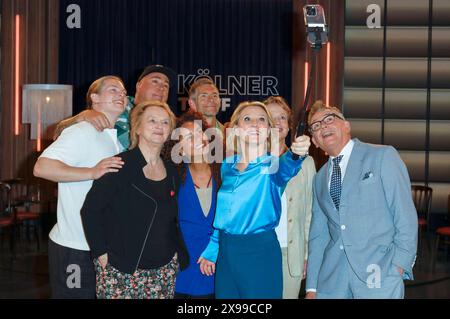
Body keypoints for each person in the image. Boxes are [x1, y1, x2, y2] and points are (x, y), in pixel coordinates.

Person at [305, 101, 418, 299]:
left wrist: (399, 265)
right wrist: (312, 287)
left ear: (346, 126)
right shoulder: (319, 178)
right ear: (314, 140)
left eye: (329, 119)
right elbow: (318, 234)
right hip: (332, 280)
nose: (323, 126)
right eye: (316, 126)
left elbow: (405, 215)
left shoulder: (382, 156)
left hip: (380, 272)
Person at [199, 101, 311, 299]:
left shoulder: (274, 165)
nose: (255, 124)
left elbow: (288, 166)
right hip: (226, 252)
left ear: (269, 130)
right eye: (247, 119)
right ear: (235, 129)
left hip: (259, 251)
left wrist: (297, 154)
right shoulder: (227, 165)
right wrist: (212, 249)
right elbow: (225, 213)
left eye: (262, 120)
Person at [81, 100, 189, 299]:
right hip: (122, 269)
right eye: (152, 121)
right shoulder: (119, 165)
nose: (159, 126)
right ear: (137, 127)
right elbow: (90, 211)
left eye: (165, 122)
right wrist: (101, 254)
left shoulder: (173, 170)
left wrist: (174, 256)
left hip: (164, 270)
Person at [33, 75, 127, 298]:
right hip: (74, 247)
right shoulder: (83, 131)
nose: (121, 95)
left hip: (98, 246)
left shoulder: (111, 137)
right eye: (113, 90)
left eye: (123, 92)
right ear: (94, 97)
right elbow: (42, 167)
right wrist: (92, 172)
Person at [54, 64, 176, 151]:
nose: (161, 88)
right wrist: (82, 117)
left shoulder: (169, 121)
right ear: (138, 85)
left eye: (166, 85)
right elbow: (59, 135)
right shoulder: (116, 106)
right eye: (155, 81)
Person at [264, 96, 316, 299]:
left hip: (290, 253)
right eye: (270, 118)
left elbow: (310, 212)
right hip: (257, 251)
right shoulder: (248, 163)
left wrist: (306, 256)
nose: (277, 123)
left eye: (282, 118)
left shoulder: (306, 163)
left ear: (289, 125)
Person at [172, 111, 221, 299]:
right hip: (184, 268)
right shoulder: (173, 178)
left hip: (219, 265)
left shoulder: (226, 172)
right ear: (180, 149)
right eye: (189, 137)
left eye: (200, 133)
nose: (199, 139)